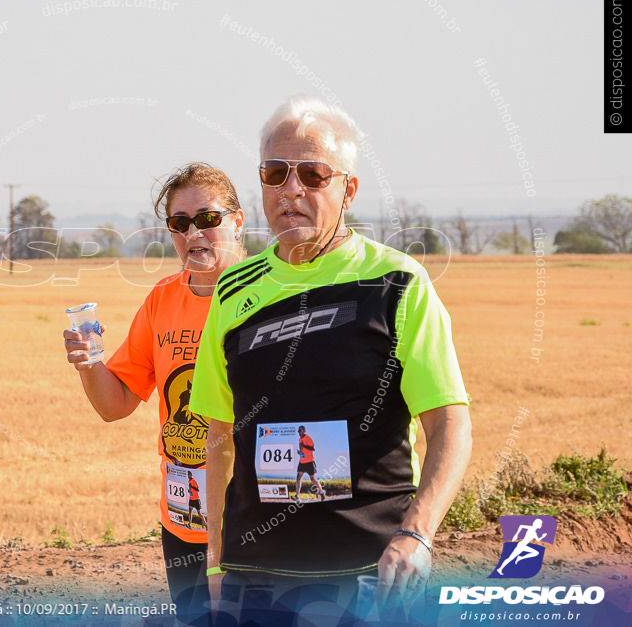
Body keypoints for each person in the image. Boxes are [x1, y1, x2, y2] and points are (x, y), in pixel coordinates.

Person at [190, 96, 473, 624]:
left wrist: (417, 535)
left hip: (371, 570)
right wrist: (213, 563)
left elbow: (450, 423)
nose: (291, 189)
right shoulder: (232, 291)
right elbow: (217, 438)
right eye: (275, 173)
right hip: (257, 572)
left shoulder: (398, 282)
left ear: (348, 189)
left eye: (313, 174)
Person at [62, 162, 246, 620]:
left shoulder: (267, 295)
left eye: (208, 219)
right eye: (180, 223)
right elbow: (114, 405)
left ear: (237, 221)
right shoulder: (162, 299)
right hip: (183, 517)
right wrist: (90, 362)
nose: (194, 233)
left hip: (254, 520)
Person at [295, 426, 324, 503]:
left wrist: (304, 446)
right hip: (302, 461)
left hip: (309, 462)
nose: (299, 432)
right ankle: (297, 496)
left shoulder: (308, 438)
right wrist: (299, 452)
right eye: (298, 431)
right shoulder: (300, 440)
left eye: (300, 431)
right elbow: (302, 451)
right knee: (298, 478)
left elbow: (313, 449)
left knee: (312, 479)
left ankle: (321, 492)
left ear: (304, 431)